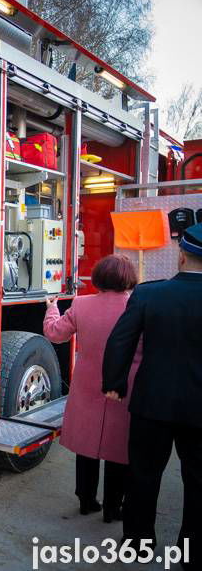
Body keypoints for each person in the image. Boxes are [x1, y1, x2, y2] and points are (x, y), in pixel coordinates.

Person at [103, 224, 202, 568]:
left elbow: (120, 341)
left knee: (143, 475)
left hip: (152, 401)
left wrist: (115, 384)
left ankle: (138, 545)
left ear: (181, 254)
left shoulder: (149, 294)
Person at [43, 254, 140, 522]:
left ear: (98, 277)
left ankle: (86, 500)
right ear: (128, 278)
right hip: (125, 384)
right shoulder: (137, 306)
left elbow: (55, 333)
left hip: (87, 383)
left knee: (88, 446)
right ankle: (113, 507)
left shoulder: (81, 304)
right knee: (118, 449)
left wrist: (52, 307)